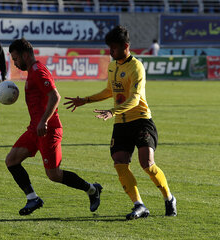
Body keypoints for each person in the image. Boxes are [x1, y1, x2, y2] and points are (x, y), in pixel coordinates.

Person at [64, 26, 177, 220]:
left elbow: (134, 98)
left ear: (126, 46)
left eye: (113, 48)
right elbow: (110, 91)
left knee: (147, 164)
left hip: (141, 120)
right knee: (120, 162)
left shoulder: (137, 67)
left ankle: (169, 198)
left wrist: (112, 111)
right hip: (121, 123)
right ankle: (139, 205)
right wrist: (86, 100)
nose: (110, 52)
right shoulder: (112, 65)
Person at [6, 38, 102, 216]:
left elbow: (55, 96)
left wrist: (44, 121)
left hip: (48, 130)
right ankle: (32, 198)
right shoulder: (32, 72)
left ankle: (92, 190)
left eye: (16, 58)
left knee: (54, 175)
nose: (15, 63)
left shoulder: (38, 71)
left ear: (25, 55)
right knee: (11, 161)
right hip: (35, 129)